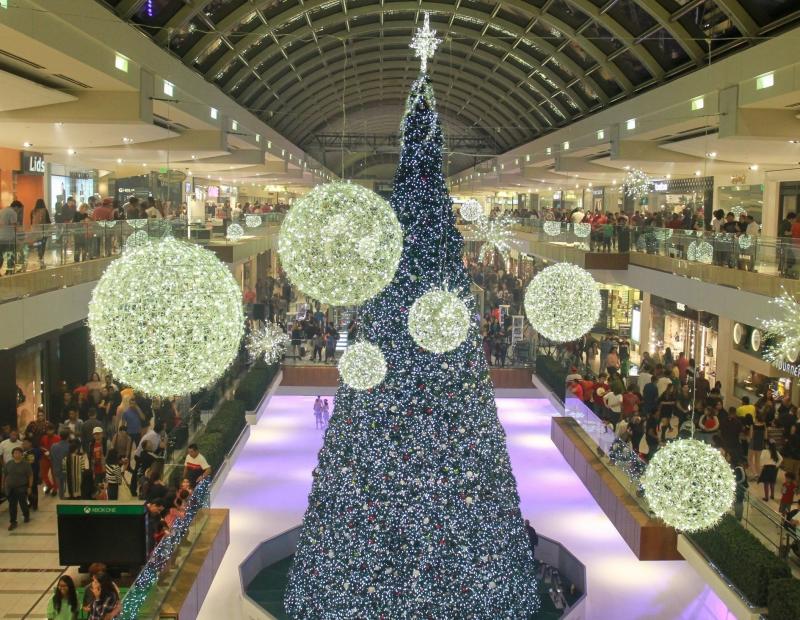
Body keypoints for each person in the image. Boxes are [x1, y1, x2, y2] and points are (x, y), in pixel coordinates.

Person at [4, 447, 32, 530]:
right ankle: (13, 522)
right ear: (12, 454)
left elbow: (30, 475)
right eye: (15, 453)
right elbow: (5, 475)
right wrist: (3, 485)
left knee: (23, 503)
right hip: (10, 487)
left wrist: (29, 487)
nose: (17, 454)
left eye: (18, 453)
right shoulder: (9, 463)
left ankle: (26, 515)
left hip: (21, 487)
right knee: (12, 505)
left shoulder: (26, 464)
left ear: (21, 454)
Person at [49, 431, 71, 499]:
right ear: (68, 437)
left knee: (60, 487)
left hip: (56, 469)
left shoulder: (53, 446)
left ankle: (61, 499)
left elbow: (51, 458)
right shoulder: (70, 446)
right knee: (68, 488)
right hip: (67, 470)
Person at [22, 437, 40, 511]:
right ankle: (30, 502)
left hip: (32, 474)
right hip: (26, 475)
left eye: (25, 443)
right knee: (28, 489)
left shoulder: (32, 452)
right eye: (23, 443)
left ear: (30, 443)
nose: (24, 445)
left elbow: (31, 463)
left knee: (33, 489)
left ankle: (34, 504)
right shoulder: (25, 452)